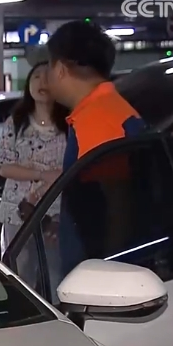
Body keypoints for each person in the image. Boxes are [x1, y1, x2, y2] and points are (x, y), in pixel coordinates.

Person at [42, 20, 146, 276]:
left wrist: (107, 274)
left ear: (60, 70)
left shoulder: (97, 119)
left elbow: (117, 205)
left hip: (97, 277)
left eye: (49, 65)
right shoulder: (106, 108)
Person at [0, 61, 68, 291]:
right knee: (19, 271)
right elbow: (0, 165)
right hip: (17, 210)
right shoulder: (16, 123)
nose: (42, 82)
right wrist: (41, 174)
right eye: (36, 77)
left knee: (55, 270)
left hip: (56, 211)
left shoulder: (69, 123)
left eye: (47, 77)